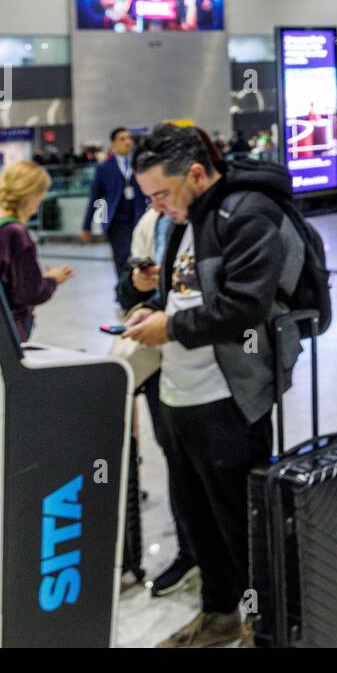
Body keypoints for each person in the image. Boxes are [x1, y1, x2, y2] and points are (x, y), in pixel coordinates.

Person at [123, 124, 305, 648]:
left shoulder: (246, 213)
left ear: (197, 174)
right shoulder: (181, 220)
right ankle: (219, 612)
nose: (157, 206)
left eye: (162, 193)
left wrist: (171, 327)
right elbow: (179, 291)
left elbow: (245, 308)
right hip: (178, 393)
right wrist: (151, 311)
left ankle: (259, 624)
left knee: (240, 522)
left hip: (229, 398)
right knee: (197, 515)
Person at [115, 204, 201, 598]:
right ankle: (191, 551)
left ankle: (229, 563)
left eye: (162, 191)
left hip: (207, 364)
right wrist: (139, 285)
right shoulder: (152, 223)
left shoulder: (216, 218)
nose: (156, 201)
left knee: (212, 464)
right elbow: (126, 292)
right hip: (159, 362)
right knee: (176, 455)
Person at [0, 161, 74, 342]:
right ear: (31, 195)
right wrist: (53, 280)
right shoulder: (15, 233)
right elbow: (29, 292)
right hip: (7, 330)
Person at [80, 127, 148, 274]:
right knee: (123, 258)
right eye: (122, 139)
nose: (127, 142)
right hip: (116, 221)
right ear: (113, 143)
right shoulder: (104, 167)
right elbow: (95, 197)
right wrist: (86, 226)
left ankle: (141, 292)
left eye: (129, 138)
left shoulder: (139, 164)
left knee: (141, 256)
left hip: (139, 218)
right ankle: (125, 294)